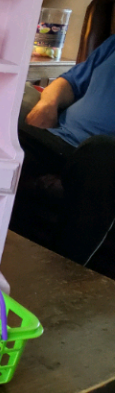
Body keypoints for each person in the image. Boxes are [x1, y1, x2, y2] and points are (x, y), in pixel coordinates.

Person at [18, 33, 115, 277]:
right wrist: (46, 106)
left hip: (102, 157)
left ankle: (63, 278)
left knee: (101, 152)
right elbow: (68, 83)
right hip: (58, 138)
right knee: (13, 99)